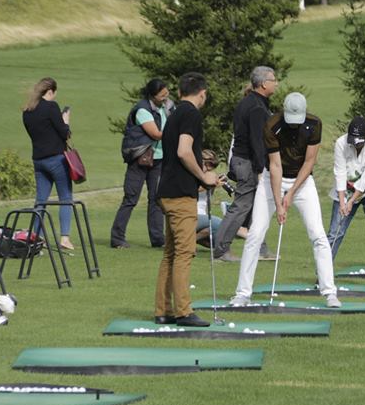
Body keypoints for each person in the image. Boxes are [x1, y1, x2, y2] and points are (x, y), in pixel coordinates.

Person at [230, 92, 340, 308]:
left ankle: (329, 292)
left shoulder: (314, 124)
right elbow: (275, 166)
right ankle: (242, 293)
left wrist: (290, 195)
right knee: (255, 234)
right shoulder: (272, 125)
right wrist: (279, 203)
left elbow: (309, 162)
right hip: (271, 181)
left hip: (303, 182)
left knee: (318, 235)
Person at [154, 72, 218, 327]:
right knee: (184, 252)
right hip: (181, 195)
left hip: (166, 191)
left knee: (170, 253)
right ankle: (183, 312)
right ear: (202, 93)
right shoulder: (191, 114)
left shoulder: (174, 114)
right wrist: (204, 176)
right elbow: (183, 151)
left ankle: (163, 310)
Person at [213, 66, 277, 261]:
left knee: (254, 205)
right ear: (264, 84)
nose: (276, 83)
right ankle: (221, 249)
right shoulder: (257, 107)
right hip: (248, 162)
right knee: (242, 205)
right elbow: (257, 141)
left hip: (245, 161)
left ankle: (260, 248)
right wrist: (260, 169)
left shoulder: (251, 102)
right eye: (274, 80)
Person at [326, 116, 365, 288]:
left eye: (358, 141)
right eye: (352, 141)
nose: (355, 144)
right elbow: (339, 172)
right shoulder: (341, 143)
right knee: (334, 233)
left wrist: (351, 201)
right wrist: (341, 201)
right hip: (346, 189)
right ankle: (323, 275)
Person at [110, 79, 172, 249]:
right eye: (162, 94)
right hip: (140, 159)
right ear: (153, 95)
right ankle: (117, 238)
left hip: (158, 159)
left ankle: (158, 238)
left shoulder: (164, 108)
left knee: (156, 199)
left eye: (167, 93)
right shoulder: (142, 110)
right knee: (131, 198)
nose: (166, 96)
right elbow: (156, 134)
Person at [21, 77, 74, 250]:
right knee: (65, 198)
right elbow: (64, 133)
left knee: (41, 201)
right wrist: (65, 120)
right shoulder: (51, 107)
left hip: (38, 160)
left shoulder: (27, 111)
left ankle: (36, 237)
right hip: (56, 159)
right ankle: (64, 238)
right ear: (50, 91)